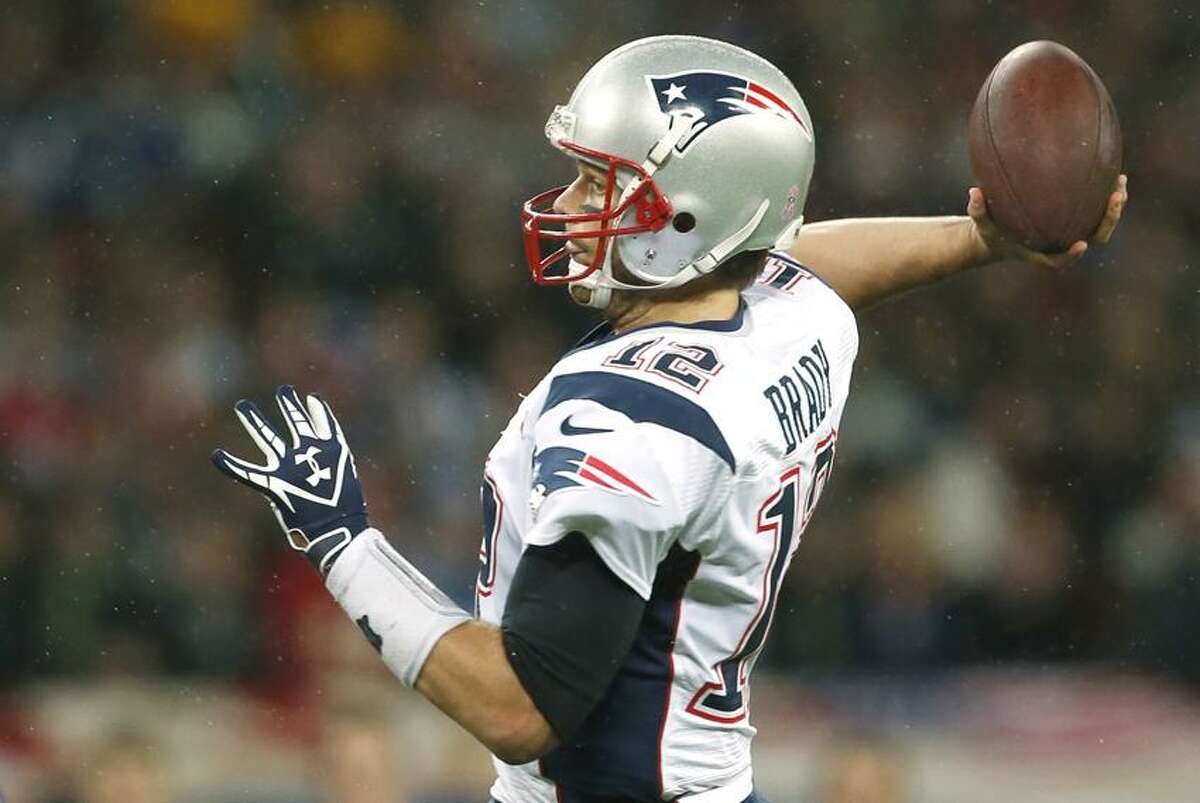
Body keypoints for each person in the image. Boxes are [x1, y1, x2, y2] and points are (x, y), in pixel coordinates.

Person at [211, 35, 1126, 803]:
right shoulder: (789, 322)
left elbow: (520, 706)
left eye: (599, 185)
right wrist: (978, 240)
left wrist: (345, 546)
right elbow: (796, 262)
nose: (570, 205)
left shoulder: (628, 422)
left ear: (689, 219)